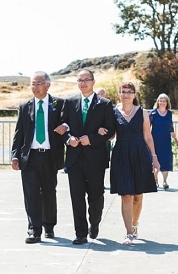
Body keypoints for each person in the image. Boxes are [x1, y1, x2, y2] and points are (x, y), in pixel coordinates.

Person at [10, 71, 68, 244]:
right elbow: (18, 133)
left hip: (50, 156)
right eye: (33, 84)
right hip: (30, 157)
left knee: (49, 193)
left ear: (48, 85)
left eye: (39, 84)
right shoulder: (25, 106)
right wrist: (15, 155)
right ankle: (34, 230)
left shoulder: (59, 104)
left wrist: (65, 126)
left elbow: (68, 122)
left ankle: (49, 225)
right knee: (31, 194)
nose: (35, 87)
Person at [62, 69, 117, 245]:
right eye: (80, 80)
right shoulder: (69, 102)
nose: (83, 83)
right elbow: (63, 126)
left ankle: (95, 223)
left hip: (96, 159)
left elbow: (111, 130)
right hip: (74, 158)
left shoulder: (105, 104)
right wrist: (68, 139)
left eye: (86, 80)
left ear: (93, 82)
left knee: (96, 196)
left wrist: (91, 139)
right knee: (76, 196)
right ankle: (81, 233)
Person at [108, 82, 160, 245]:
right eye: (123, 91)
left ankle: (135, 224)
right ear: (119, 94)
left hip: (139, 155)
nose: (126, 94)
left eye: (130, 92)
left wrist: (154, 157)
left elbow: (148, 137)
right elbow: (111, 135)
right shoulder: (113, 112)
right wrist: (102, 132)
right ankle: (128, 233)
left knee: (138, 196)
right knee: (126, 195)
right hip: (121, 155)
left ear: (134, 94)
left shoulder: (143, 113)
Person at [150, 93, 178, 189]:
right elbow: (147, 127)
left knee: (165, 160)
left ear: (167, 102)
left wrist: (175, 139)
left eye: (164, 101)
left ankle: (165, 181)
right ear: (158, 102)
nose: (162, 102)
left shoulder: (169, 114)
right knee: (155, 160)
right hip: (155, 140)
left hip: (166, 141)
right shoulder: (153, 113)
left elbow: (171, 128)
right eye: (160, 101)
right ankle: (155, 181)